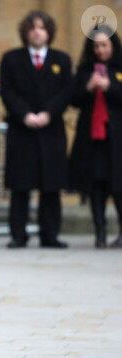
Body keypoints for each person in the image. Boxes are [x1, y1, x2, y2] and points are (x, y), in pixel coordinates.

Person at [0, 10, 72, 249]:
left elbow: (66, 92)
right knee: (21, 186)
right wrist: (26, 114)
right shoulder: (11, 59)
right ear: (26, 32)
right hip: (22, 130)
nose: (37, 31)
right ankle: (18, 234)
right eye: (32, 27)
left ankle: (49, 235)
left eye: (42, 27)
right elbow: (7, 91)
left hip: (51, 130)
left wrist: (48, 113)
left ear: (49, 32)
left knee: (51, 186)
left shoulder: (61, 60)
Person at [70, 27, 122, 248]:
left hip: (117, 138)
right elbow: (73, 99)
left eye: (105, 45)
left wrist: (110, 87)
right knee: (96, 185)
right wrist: (89, 87)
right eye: (97, 46)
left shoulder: (119, 70)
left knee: (118, 185)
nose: (101, 50)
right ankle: (99, 233)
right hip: (92, 137)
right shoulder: (84, 71)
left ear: (113, 47)